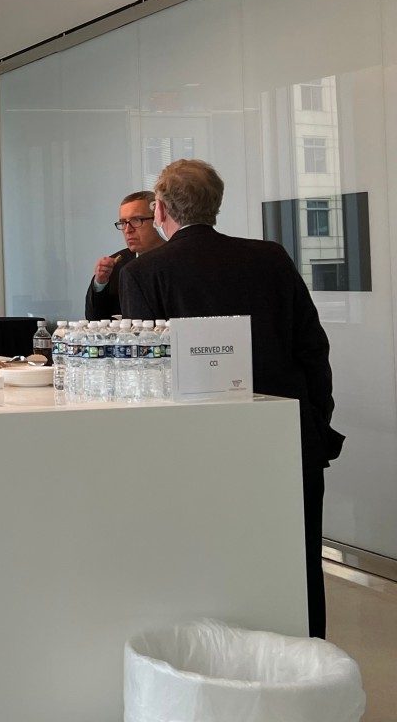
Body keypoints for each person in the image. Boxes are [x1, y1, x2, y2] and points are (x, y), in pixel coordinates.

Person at [119, 159, 344, 639]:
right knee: (299, 563)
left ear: (160, 211)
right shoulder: (270, 257)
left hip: (198, 448)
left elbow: (150, 373)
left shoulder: (145, 273)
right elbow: (312, 347)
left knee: (213, 570)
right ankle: (310, 665)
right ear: (215, 205)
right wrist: (314, 421)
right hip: (288, 437)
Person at [85, 190, 164, 320]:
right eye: (123, 223)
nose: (128, 230)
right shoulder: (115, 265)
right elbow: (94, 319)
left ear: (158, 220)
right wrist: (100, 283)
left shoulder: (177, 259)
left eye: (136, 220)